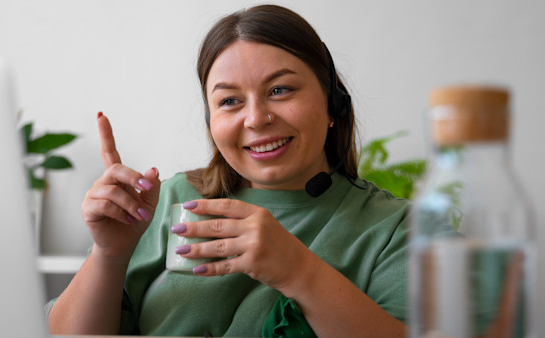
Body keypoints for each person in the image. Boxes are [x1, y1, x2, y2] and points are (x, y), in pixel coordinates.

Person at [46, 4, 409, 337]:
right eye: (230, 101)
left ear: (332, 104)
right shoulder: (163, 204)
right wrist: (108, 255)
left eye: (280, 89)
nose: (255, 118)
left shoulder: (394, 229)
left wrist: (299, 270)